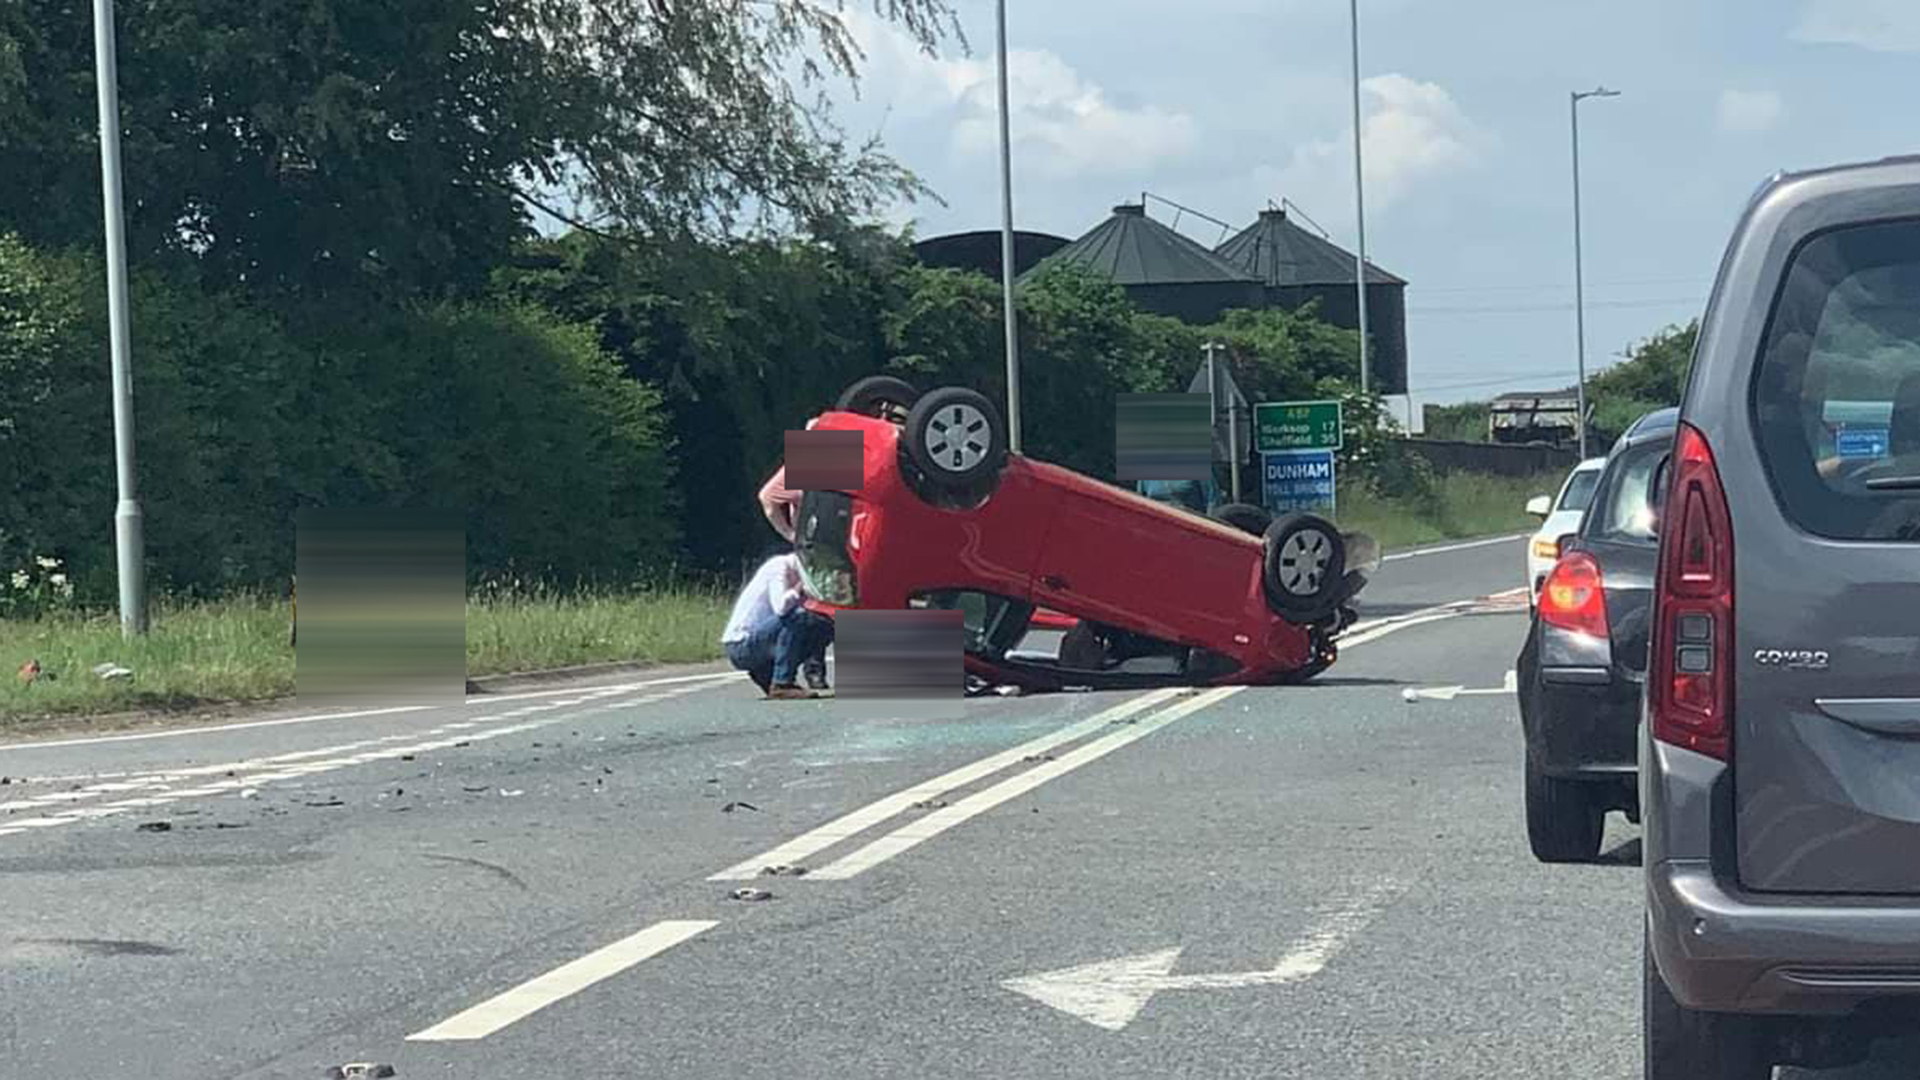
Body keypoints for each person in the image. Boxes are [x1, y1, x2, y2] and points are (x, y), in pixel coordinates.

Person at [720, 552, 833, 699]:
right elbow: (780, 609)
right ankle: (782, 683)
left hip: (756, 642)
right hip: (740, 644)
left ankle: (767, 672)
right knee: (798, 617)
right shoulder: (778, 568)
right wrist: (798, 589)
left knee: (822, 626)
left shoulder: (790, 572)